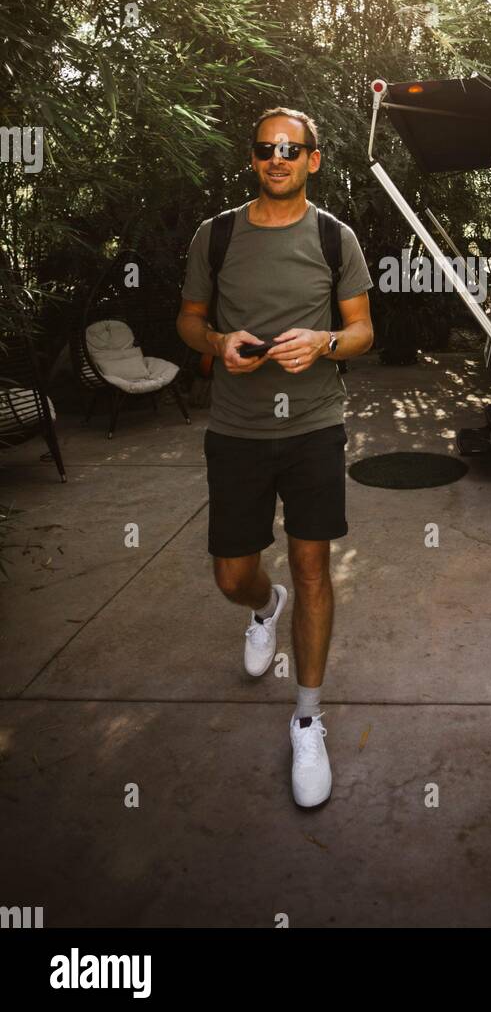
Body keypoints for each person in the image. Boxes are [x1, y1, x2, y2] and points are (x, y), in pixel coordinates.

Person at [177, 108, 374, 807]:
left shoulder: (333, 236)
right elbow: (189, 320)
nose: (278, 158)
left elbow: (361, 332)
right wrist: (217, 344)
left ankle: (308, 718)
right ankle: (265, 609)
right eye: (266, 149)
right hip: (236, 429)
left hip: (315, 425)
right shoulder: (217, 233)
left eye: (292, 149)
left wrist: (321, 342)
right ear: (254, 158)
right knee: (233, 575)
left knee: (313, 563)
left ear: (313, 160)